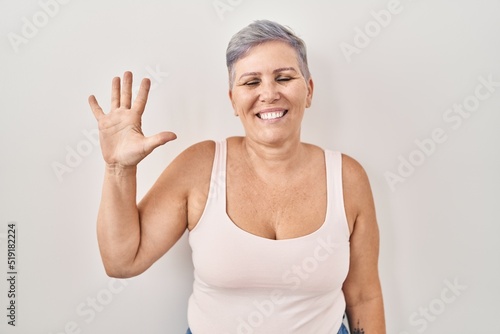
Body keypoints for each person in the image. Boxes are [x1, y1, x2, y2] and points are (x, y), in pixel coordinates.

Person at [88, 20, 385, 334]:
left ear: (308, 91)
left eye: (283, 77)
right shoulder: (200, 167)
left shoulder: (348, 178)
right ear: (233, 100)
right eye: (251, 82)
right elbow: (122, 262)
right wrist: (118, 169)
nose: (269, 94)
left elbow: (365, 297)